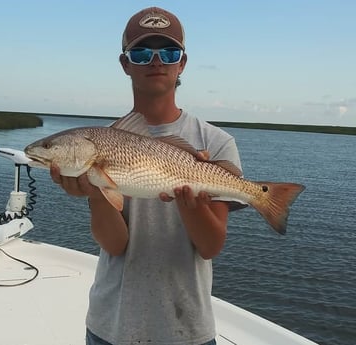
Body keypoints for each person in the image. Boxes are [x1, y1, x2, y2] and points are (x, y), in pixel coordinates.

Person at [50, 7, 244, 345]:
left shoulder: (215, 143)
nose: (156, 62)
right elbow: (115, 245)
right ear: (125, 64)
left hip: (187, 329)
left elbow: (211, 246)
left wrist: (190, 203)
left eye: (168, 53)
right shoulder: (106, 139)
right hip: (110, 324)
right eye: (140, 53)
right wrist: (97, 193)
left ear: (182, 63)